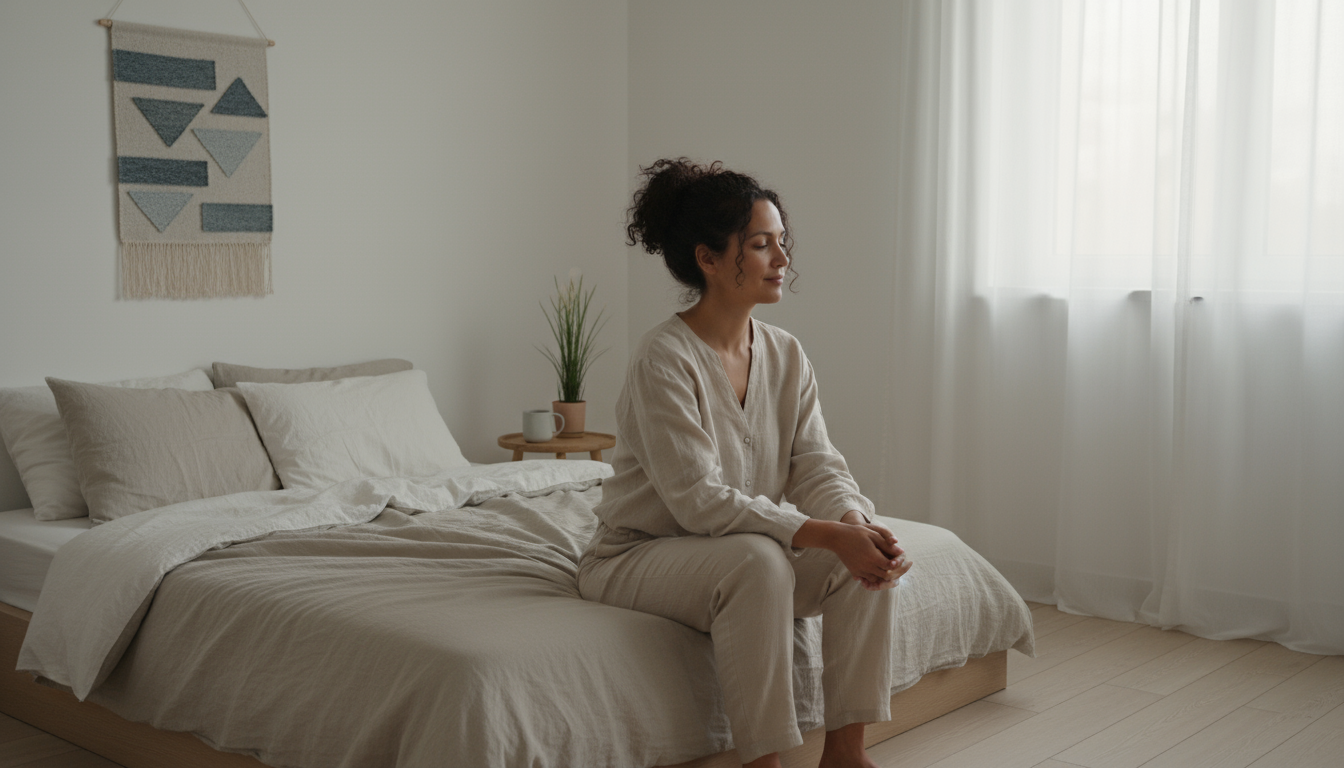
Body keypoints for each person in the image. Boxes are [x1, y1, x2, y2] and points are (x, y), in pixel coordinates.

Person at [577, 158, 913, 768]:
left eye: (782, 242)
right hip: (639, 553)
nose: (783, 258)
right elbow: (698, 501)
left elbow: (816, 462)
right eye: (761, 244)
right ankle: (764, 761)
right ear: (708, 259)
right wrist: (824, 532)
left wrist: (852, 521)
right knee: (760, 562)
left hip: (732, 548)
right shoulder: (664, 359)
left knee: (863, 557)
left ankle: (846, 754)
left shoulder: (785, 353)